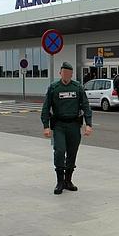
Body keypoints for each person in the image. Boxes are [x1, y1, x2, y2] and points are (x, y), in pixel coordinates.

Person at [41, 62, 93, 195]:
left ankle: (68, 181)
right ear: (60, 73)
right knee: (59, 151)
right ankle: (59, 181)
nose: (66, 75)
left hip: (74, 125)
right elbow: (46, 108)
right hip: (59, 125)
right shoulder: (54, 87)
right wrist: (46, 126)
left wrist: (89, 124)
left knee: (72, 152)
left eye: (68, 73)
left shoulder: (77, 87)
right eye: (64, 73)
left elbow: (86, 106)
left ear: (71, 74)